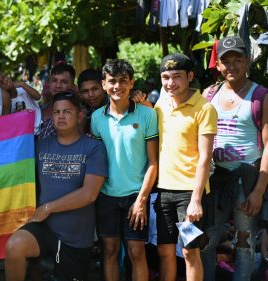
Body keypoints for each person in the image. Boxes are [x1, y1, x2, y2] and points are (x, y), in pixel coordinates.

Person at [5, 92, 108, 281]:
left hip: (75, 236)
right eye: (56, 112)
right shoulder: (41, 146)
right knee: (14, 246)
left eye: (67, 112)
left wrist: (48, 208)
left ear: (79, 115)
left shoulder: (94, 148)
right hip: (44, 228)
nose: (60, 116)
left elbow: (89, 194)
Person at [200, 35, 268, 281]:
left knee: (244, 242)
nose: (232, 66)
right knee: (205, 240)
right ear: (217, 65)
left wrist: (259, 190)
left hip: (246, 178)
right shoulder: (208, 94)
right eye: (225, 61)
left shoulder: (260, 95)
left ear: (248, 61)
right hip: (215, 178)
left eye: (238, 60)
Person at [90, 60, 159, 281]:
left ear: (131, 84)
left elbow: (153, 162)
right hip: (106, 194)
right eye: (112, 81)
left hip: (136, 195)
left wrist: (141, 200)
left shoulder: (147, 115)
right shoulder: (96, 118)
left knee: (136, 252)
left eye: (123, 81)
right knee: (109, 250)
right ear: (104, 84)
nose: (117, 86)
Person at [154, 53, 217, 281]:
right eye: (166, 77)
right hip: (163, 191)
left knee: (190, 251)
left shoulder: (204, 108)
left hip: (190, 193)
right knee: (164, 251)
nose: (171, 83)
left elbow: (205, 157)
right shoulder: (160, 104)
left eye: (177, 76)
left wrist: (196, 199)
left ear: (190, 76)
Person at [37, 63, 77, 139]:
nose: (58, 86)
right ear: (49, 83)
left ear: (73, 86)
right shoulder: (39, 109)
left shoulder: (76, 113)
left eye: (64, 82)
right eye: (54, 80)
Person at [77, 69, 107, 133]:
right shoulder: (84, 111)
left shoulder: (115, 107)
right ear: (80, 94)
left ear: (104, 86)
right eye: (85, 91)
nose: (90, 95)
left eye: (94, 89)